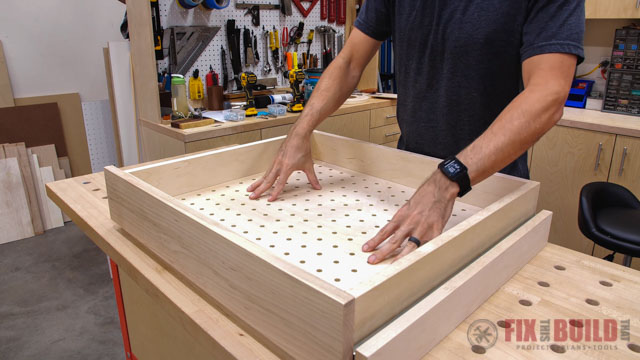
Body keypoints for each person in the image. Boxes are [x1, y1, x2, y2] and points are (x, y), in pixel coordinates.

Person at [247, 0, 584, 264]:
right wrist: (301, 131)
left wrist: (448, 177)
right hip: (409, 179)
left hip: (490, 185)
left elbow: (548, 94)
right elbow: (350, 60)